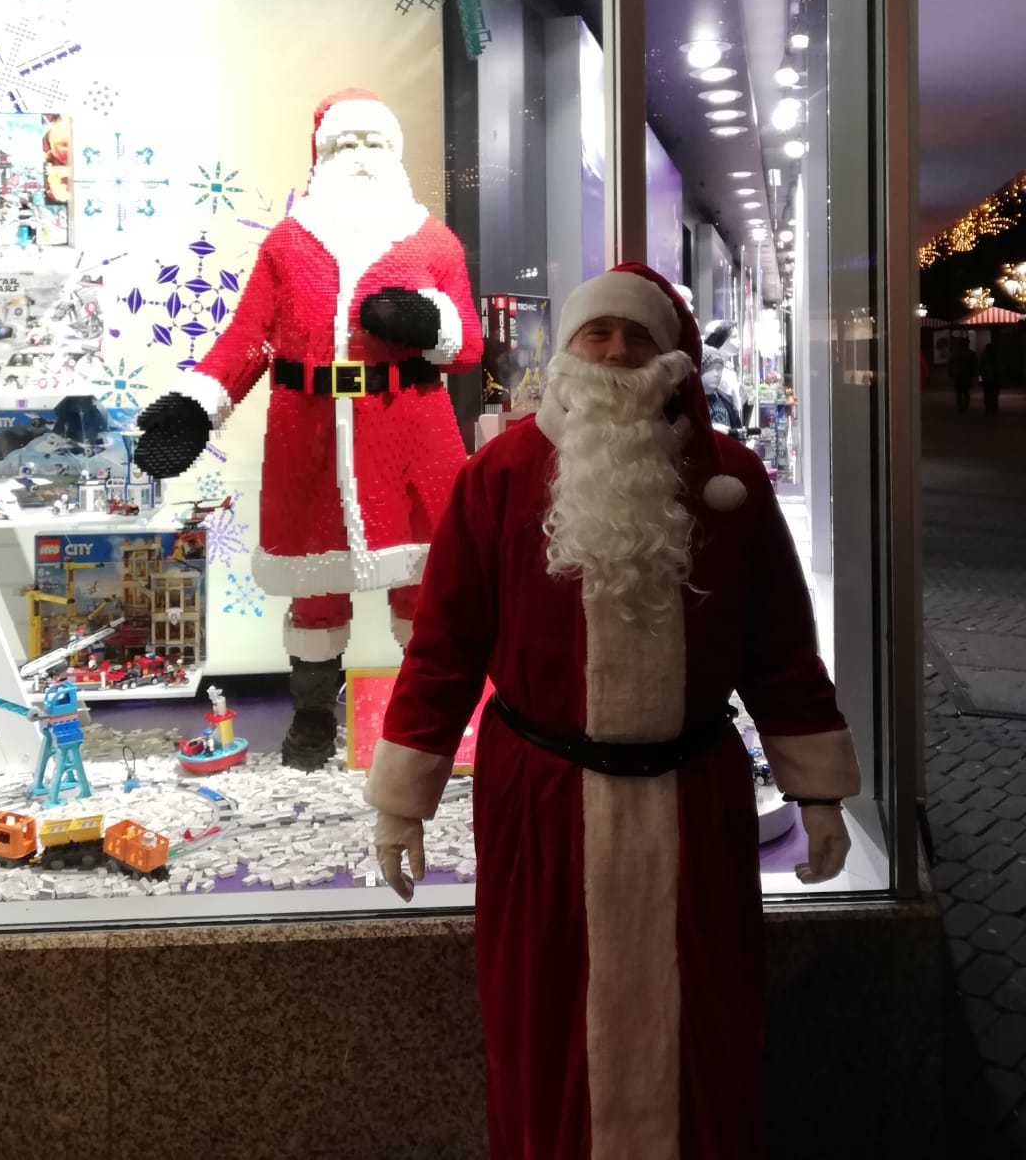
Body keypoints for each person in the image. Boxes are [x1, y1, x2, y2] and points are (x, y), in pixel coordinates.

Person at [365, 263, 859, 1160]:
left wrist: (817, 791)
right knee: (542, 1030)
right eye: (598, 333)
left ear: (672, 357)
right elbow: (443, 648)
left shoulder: (733, 481)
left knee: (708, 1027)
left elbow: (781, 648)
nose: (618, 351)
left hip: (694, 809)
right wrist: (403, 801)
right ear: (568, 350)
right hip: (543, 811)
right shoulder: (498, 477)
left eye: (638, 336)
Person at [135, 89, 482, 769]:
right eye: (345, 144)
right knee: (315, 590)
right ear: (321, 157)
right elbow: (249, 339)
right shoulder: (289, 244)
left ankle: (428, 721)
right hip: (310, 437)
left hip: (412, 437)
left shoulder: (434, 241)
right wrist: (197, 406)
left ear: (394, 154)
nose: (360, 156)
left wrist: (428, 323)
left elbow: (467, 343)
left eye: (373, 143)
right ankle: (314, 718)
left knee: (427, 586)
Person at [980, 341, 1001, 415]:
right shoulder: (996, 357)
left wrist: (980, 380)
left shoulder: (984, 356)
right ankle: (994, 408)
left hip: (987, 378)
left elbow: (980, 369)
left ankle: (988, 408)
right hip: (994, 378)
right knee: (994, 394)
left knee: (987, 394)